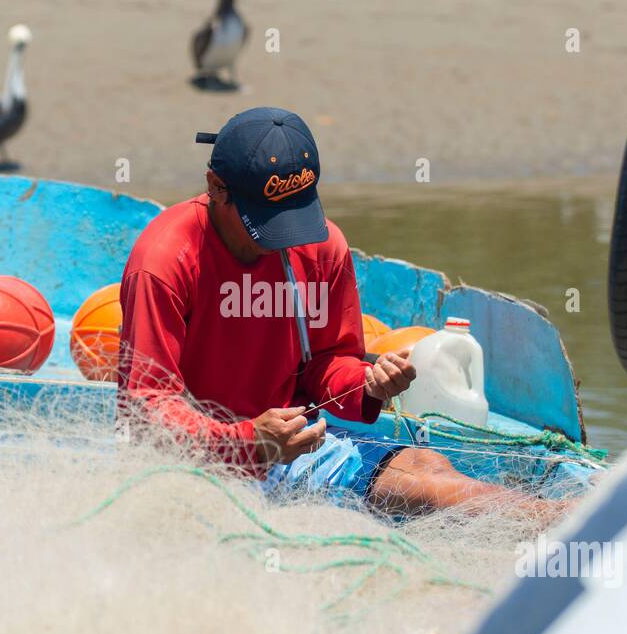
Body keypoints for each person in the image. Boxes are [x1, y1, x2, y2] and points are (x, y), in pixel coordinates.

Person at [117, 106, 563, 517]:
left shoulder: (323, 245)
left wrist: (368, 384)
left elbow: (328, 360)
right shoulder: (164, 261)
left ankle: (563, 520)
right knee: (423, 489)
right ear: (217, 188)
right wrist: (250, 443)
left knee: (427, 466)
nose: (287, 240)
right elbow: (147, 408)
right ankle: (566, 523)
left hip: (298, 443)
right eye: (269, 224)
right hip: (202, 462)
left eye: (295, 219)